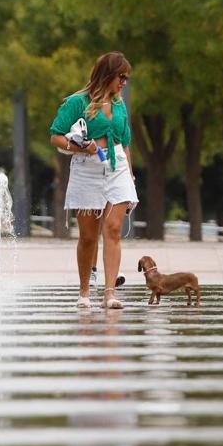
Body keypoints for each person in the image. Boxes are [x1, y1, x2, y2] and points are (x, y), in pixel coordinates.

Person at [49, 52, 138, 309]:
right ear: (107, 75)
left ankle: (110, 293)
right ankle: (85, 291)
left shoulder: (119, 105)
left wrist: (130, 176)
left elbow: (126, 143)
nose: (124, 82)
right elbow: (55, 137)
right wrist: (80, 148)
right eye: (121, 76)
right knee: (88, 236)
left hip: (117, 166)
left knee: (112, 229)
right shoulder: (77, 103)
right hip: (87, 169)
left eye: (126, 78)